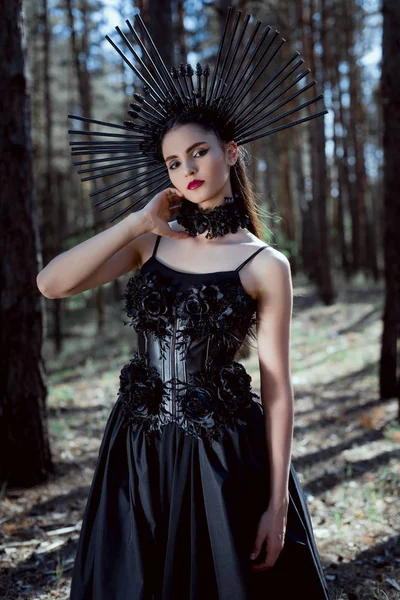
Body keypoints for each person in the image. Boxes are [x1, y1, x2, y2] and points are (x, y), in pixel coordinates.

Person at [37, 8, 331, 599]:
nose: (188, 169)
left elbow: (277, 386)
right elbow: (52, 283)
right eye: (175, 162)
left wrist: (276, 506)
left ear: (233, 152)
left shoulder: (266, 264)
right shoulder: (150, 240)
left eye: (199, 152)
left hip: (221, 460)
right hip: (136, 449)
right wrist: (133, 222)